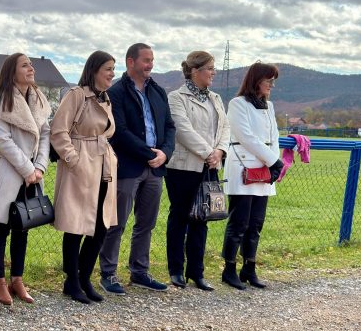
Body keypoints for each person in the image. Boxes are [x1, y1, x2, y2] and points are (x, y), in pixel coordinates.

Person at [99, 42, 176, 294]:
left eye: (152, 60)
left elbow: (169, 127)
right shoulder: (116, 92)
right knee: (117, 222)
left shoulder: (158, 91)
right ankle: (108, 273)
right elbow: (119, 132)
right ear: (130, 62)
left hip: (155, 168)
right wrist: (149, 154)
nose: (150, 65)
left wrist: (165, 153)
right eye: (146, 60)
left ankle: (140, 272)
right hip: (128, 167)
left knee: (146, 223)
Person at [0, 53, 51, 305]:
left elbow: (45, 134)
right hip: (9, 172)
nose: (31, 68)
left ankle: (17, 279)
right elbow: (3, 141)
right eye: (25, 65)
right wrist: (27, 169)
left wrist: (39, 166)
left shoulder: (39, 99)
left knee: (24, 226)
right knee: (1, 228)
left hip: (32, 173)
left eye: (31, 64)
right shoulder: (1, 100)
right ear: (12, 71)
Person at [51, 51, 118, 304]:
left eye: (113, 68)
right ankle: (72, 280)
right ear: (94, 70)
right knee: (76, 225)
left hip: (103, 165)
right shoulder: (76, 95)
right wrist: (73, 159)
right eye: (108, 69)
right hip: (81, 165)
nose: (112, 73)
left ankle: (84, 277)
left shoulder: (105, 98)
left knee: (101, 225)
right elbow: (59, 131)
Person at [164, 51, 230, 290]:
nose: (214, 73)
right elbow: (182, 130)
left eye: (213, 68)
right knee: (180, 216)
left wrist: (220, 151)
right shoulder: (176, 97)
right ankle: (176, 270)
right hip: (183, 167)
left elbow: (225, 127)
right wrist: (208, 152)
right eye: (210, 68)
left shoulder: (216, 98)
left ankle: (196, 272)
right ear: (194, 71)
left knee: (202, 219)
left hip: (210, 166)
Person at [222, 62, 283, 289]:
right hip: (243, 167)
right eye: (269, 80)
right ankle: (229, 269)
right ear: (257, 80)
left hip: (264, 168)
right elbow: (246, 137)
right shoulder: (238, 104)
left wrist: (273, 161)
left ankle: (249, 267)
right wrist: (273, 160)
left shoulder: (269, 106)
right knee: (239, 222)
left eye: (273, 81)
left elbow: (274, 136)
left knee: (256, 222)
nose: (272, 85)